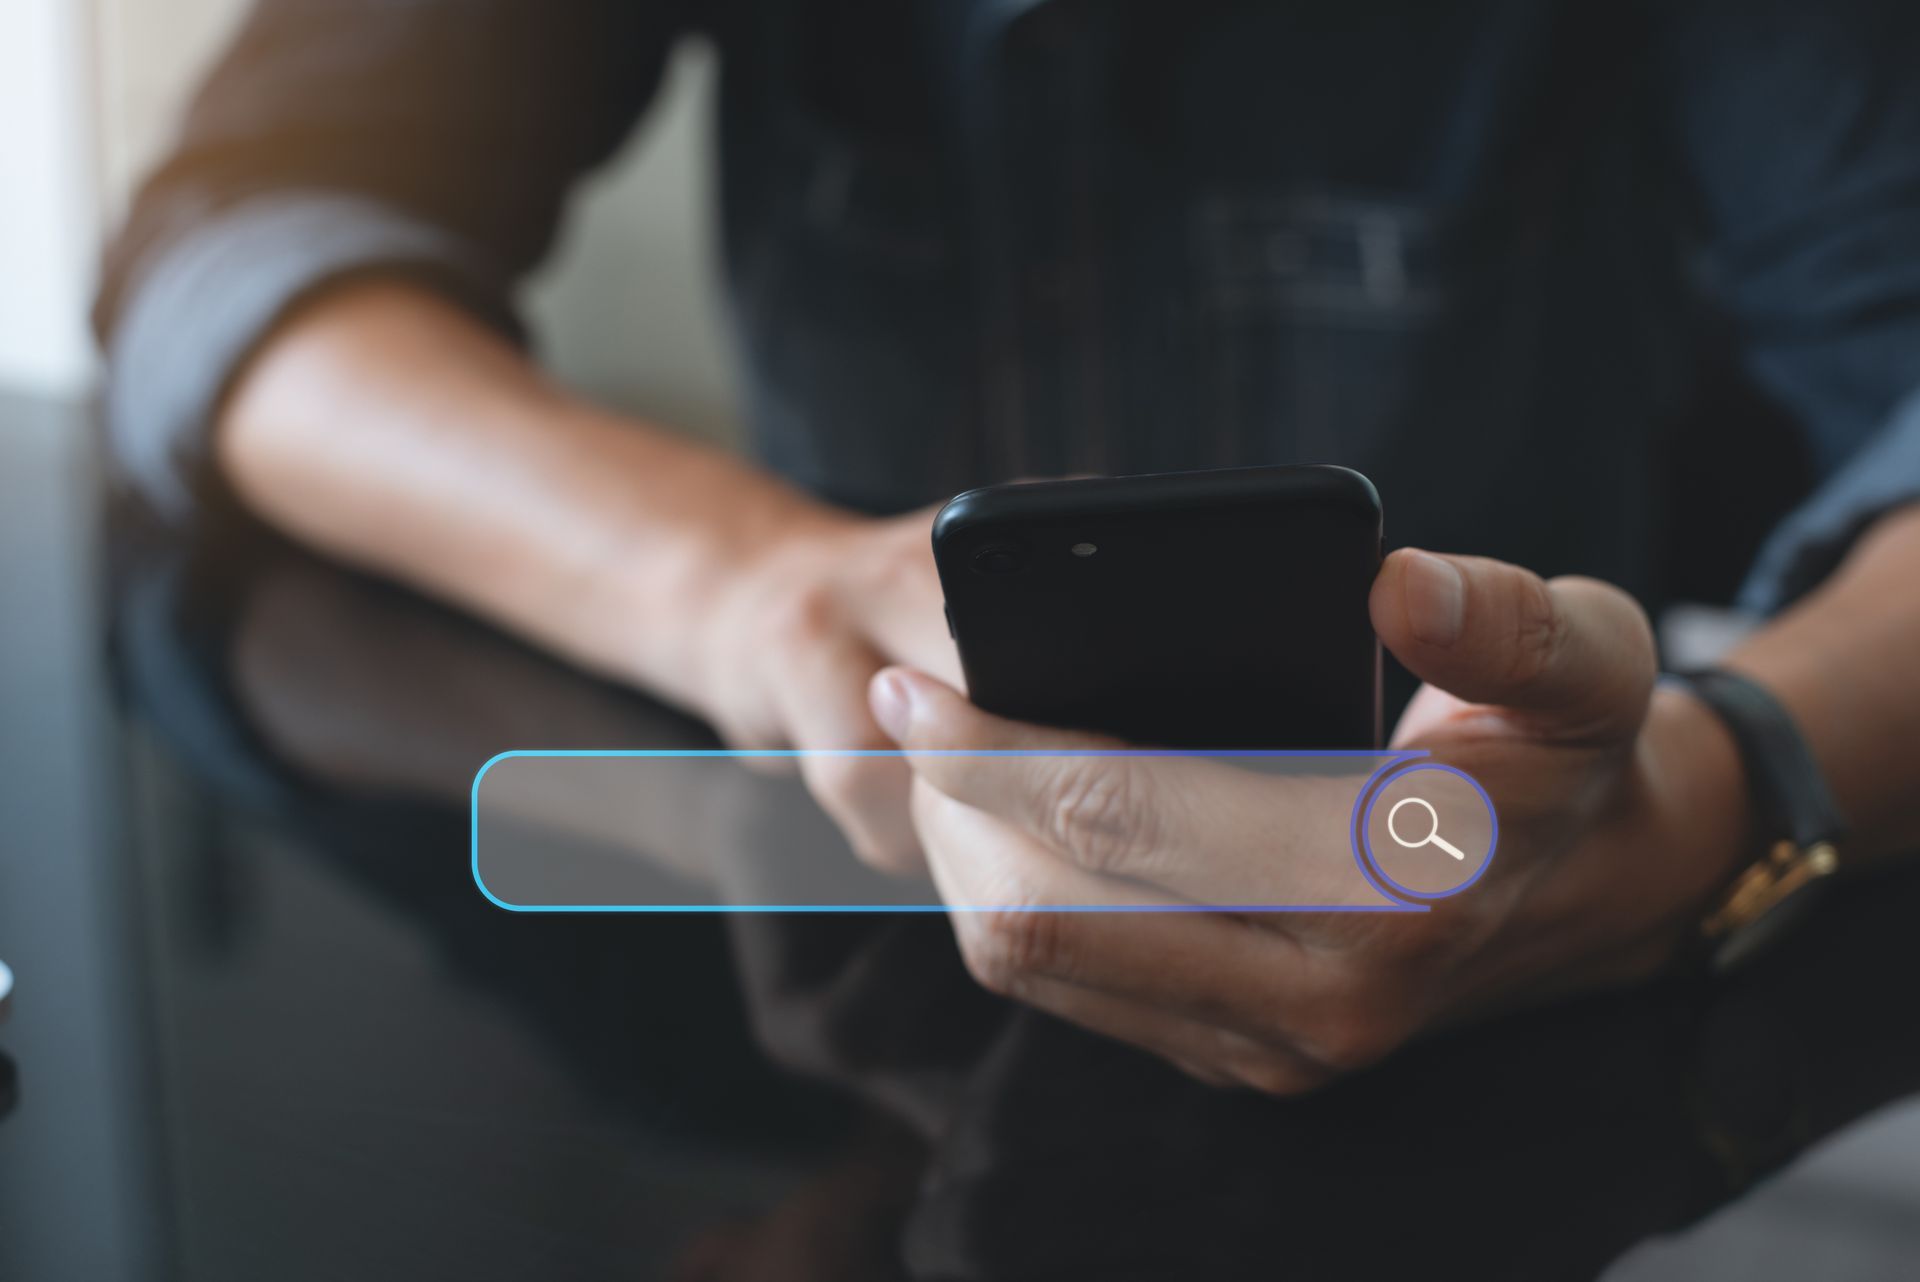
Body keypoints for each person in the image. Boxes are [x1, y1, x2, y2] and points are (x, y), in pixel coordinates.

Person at [98, 0, 1920, 1092]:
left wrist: (1711, 793)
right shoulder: (705, 1083)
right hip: (873, 945)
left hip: (1544, 999)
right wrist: (746, 587)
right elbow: (229, 258)